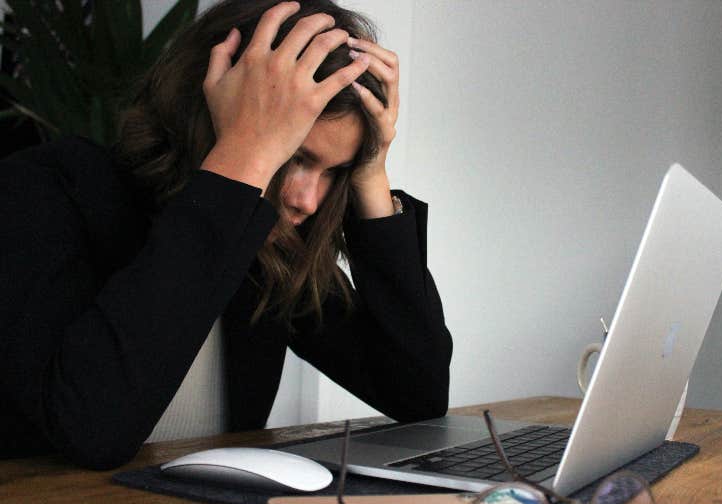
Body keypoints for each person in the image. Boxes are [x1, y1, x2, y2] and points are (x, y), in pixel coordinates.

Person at [0, 0, 452, 470]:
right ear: (209, 109)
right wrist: (244, 155)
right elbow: (91, 431)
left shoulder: (267, 248)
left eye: (333, 171)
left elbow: (417, 392)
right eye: (295, 156)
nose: (307, 201)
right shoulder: (42, 192)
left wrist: (370, 174)